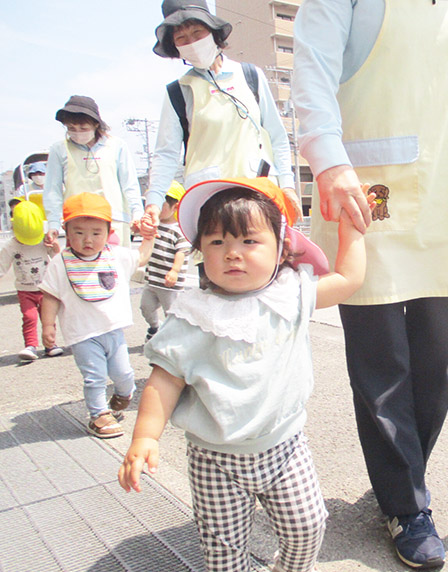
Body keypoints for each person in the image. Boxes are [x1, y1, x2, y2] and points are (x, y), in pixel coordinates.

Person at [292, 0, 448, 569]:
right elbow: (310, 73)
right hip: (363, 190)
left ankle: (399, 476)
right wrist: (328, 160)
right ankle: (407, 506)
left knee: (434, 367)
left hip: (446, 193)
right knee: (383, 368)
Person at [118, 177, 370, 572]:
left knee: (308, 523)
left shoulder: (290, 295)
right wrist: (145, 436)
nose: (232, 252)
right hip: (214, 457)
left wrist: (352, 232)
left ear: (281, 248)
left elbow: (347, 279)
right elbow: (164, 380)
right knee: (223, 549)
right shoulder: (192, 314)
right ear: (201, 251)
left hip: (284, 445)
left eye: (250, 240)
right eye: (216, 242)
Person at [143, 0, 301, 230]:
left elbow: (277, 137)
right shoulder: (179, 92)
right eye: (182, 39)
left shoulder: (250, 75)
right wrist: (154, 202)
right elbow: (166, 154)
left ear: (213, 33)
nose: (192, 43)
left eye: (197, 33)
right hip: (208, 197)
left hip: (257, 189)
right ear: (175, 47)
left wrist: (287, 184)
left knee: (261, 254)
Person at [40, 193, 155, 439]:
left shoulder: (116, 255)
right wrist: (47, 325)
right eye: (79, 232)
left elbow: (142, 256)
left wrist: (149, 237)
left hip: (114, 330)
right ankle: (97, 414)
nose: (87, 240)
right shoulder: (61, 263)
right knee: (94, 377)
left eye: (95, 232)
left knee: (124, 375)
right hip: (82, 334)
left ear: (108, 231)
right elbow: (49, 296)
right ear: (66, 231)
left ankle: (121, 397)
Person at [42, 95, 144, 248]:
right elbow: (52, 190)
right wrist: (54, 223)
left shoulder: (116, 146)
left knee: (115, 269)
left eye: (83, 128)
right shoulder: (59, 149)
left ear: (96, 124)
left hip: (113, 220)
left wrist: (137, 214)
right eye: (71, 129)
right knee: (81, 269)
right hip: (79, 224)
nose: (77, 133)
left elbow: (129, 183)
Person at [0, 200, 63, 361]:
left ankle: (50, 345)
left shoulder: (43, 239)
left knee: (48, 318)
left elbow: (58, 260)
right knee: (29, 317)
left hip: (45, 289)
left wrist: (55, 248)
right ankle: (31, 345)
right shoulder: (11, 245)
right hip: (25, 290)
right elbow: (2, 266)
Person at [140, 181, 192, 342]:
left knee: (172, 312)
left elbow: (182, 252)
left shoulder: (179, 229)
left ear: (175, 207)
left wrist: (175, 271)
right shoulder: (153, 225)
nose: (155, 210)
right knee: (145, 307)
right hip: (152, 279)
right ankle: (155, 327)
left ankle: (174, 337)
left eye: (160, 206)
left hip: (170, 283)